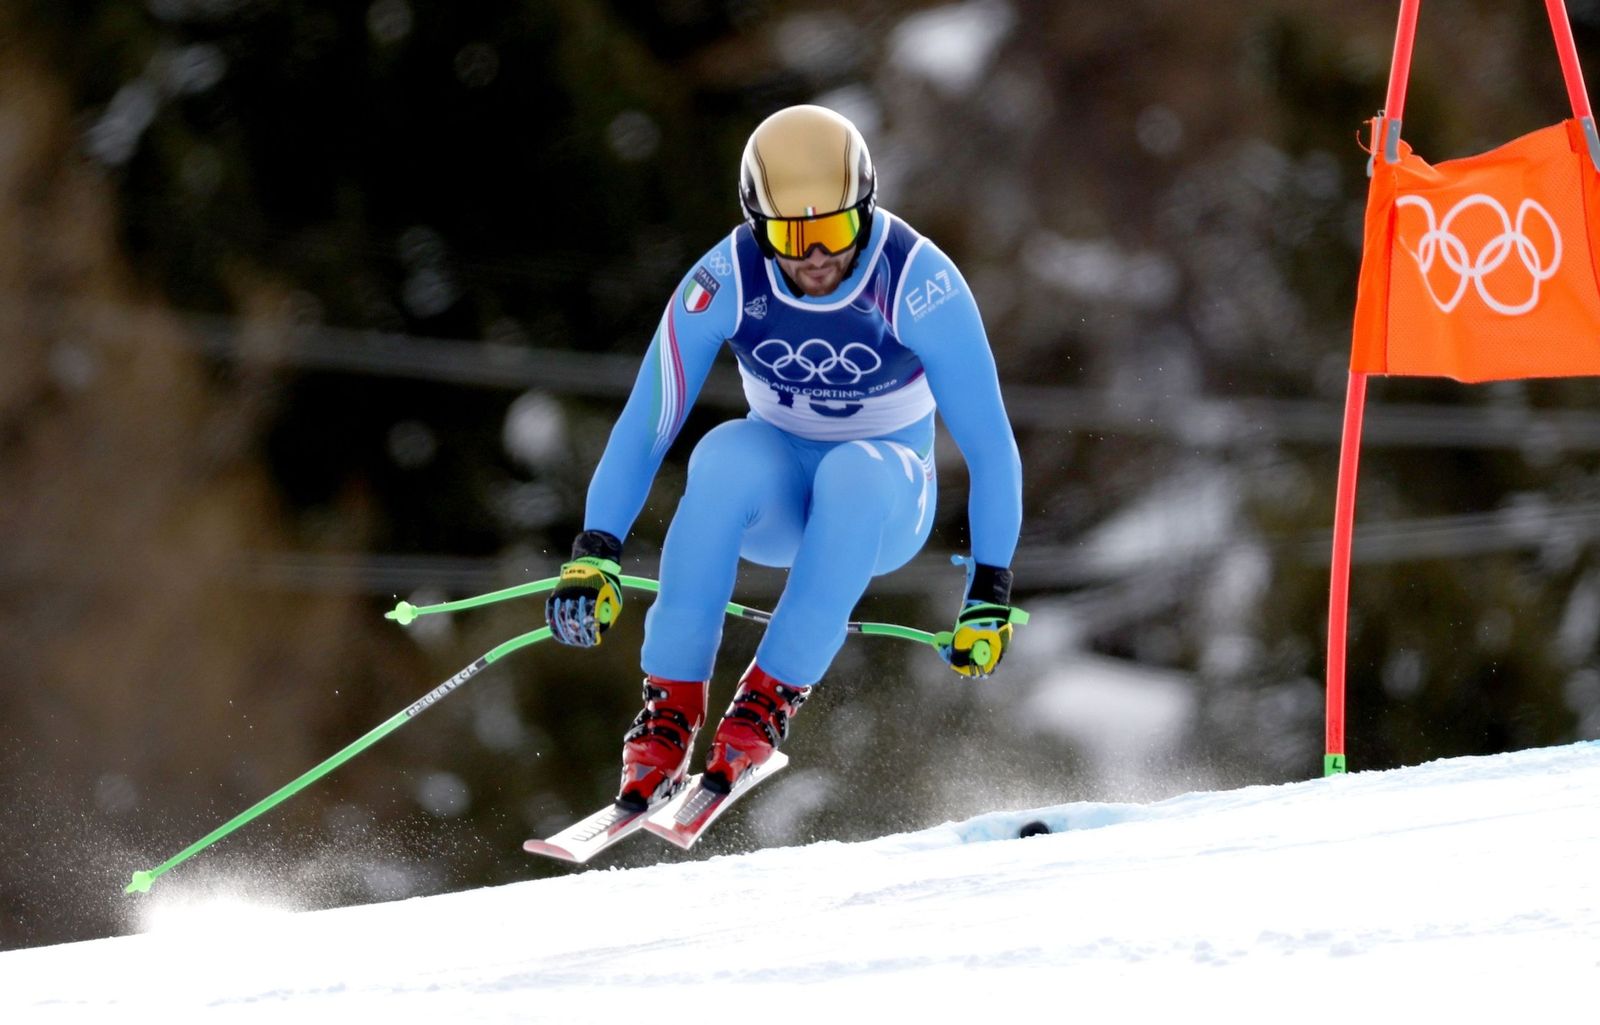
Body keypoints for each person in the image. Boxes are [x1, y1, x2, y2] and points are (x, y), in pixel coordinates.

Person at [545, 104, 1023, 810]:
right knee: (724, 451)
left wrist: (990, 592)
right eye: (790, 237)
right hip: (780, 493)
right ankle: (667, 715)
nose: (815, 257)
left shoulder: (918, 282)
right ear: (754, 225)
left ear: (865, 208)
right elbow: (649, 420)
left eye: (833, 229)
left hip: (885, 498)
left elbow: (991, 447)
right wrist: (596, 549)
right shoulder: (725, 278)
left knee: (852, 472)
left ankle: (765, 704)